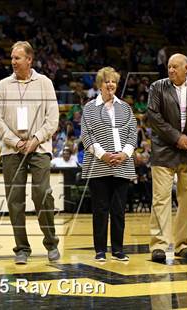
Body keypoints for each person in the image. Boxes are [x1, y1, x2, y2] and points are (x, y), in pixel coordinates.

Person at [0, 41, 60, 264]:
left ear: (29, 60)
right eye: (12, 58)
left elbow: (53, 119)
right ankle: (21, 248)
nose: (13, 62)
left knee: (41, 193)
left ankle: (51, 242)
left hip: (39, 148)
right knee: (15, 200)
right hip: (12, 150)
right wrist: (15, 142)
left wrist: (35, 140)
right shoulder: (3, 85)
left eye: (17, 58)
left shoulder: (45, 83)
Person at [147, 53, 187, 263]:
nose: (171, 70)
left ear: (186, 68)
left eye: (175, 67)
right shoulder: (157, 87)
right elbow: (154, 117)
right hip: (164, 150)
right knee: (160, 199)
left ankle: (183, 244)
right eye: (169, 67)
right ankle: (159, 245)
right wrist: (177, 137)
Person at [81, 67, 137, 262]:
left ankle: (118, 249)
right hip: (98, 166)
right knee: (100, 209)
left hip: (123, 165)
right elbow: (86, 135)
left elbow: (133, 133)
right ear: (99, 85)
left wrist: (124, 154)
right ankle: (100, 250)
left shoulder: (126, 108)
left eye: (113, 81)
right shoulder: (89, 108)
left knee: (119, 210)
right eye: (106, 81)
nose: (110, 84)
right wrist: (103, 155)